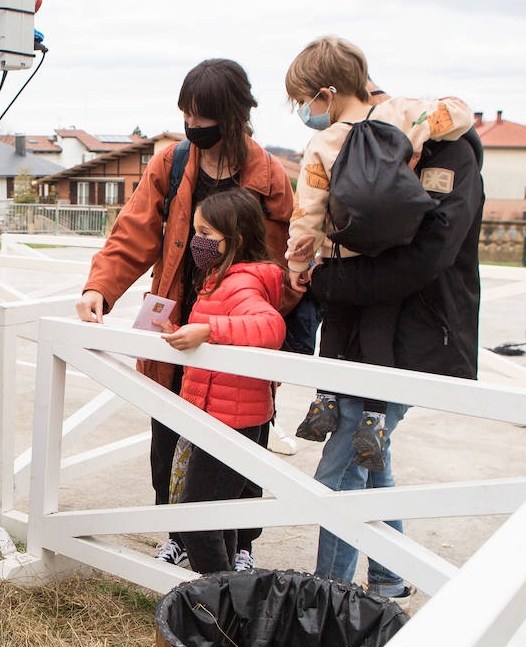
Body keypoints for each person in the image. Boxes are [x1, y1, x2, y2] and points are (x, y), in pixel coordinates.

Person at [75, 58, 298, 570]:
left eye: (204, 115)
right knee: (168, 431)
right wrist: (99, 288)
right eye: (187, 114)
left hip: (234, 327)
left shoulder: (270, 178)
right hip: (176, 324)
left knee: (242, 437)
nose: (194, 125)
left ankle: (239, 544)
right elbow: (133, 231)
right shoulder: (172, 164)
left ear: (236, 114)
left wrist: (246, 320)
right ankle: (174, 530)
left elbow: (280, 265)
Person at [305, 102, 487, 597]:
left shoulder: (451, 160)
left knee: (339, 469)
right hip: (362, 334)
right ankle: (388, 581)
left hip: (412, 338)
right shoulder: (368, 148)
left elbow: (425, 257)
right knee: (370, 458)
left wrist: (330, 280)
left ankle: (328, 599)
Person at [282, 36, 474, 471]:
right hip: (393, 253)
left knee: (337, 327)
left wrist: (297, 267)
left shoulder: (325, 142)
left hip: (342, 258)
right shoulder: (400, 114)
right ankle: (376, 418)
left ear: (325, 95)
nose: (305, 111)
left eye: (303, 101)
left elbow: (306, 214)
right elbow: (460, 112)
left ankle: (324, 401)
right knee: (379, 334)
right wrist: (421, 134)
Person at [158, 189, 286, 573]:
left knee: (198, 521)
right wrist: (180, 331)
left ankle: (219, 601)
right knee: (218, 517)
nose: (199, 242)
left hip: (231, 422)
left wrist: (207, 329)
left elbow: (270, 326)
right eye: (197, 232)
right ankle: (231, 596)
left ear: (238, 239)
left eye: (207, 233)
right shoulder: (219, 279)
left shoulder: (241, 283)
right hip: (215, 414)